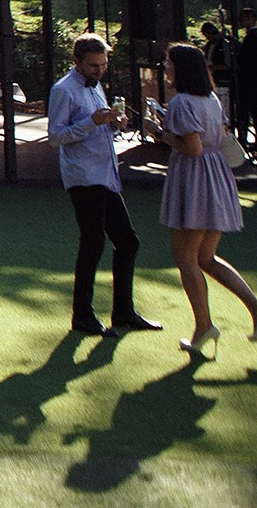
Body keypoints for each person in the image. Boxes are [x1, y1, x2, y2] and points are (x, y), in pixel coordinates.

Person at [147, 43, 257, 359]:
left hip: (195, 179)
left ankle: (204, 326)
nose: (166, 69)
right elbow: (215, 136)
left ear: (182, 69)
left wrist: (159, 132)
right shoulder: (211, 99)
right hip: (216, 176)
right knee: (206, 257)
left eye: (169, 64)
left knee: (186, 258)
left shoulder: (181, 102)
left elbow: (191, 148)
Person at [49, 33, 159, 337]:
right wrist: (92, 122)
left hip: (105, 173)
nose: (99, 70)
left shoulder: (96, 85)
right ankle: (82, 315)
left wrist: (113, 124)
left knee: (127, 241)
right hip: (83, 176)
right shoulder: (63, 90)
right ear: (77, 61)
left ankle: (123, 311)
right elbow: (56, 136)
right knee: (93, 242)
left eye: (103, 64)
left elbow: (99, 123)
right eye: (93, 65)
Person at [236, 8, 257, 149]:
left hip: (251, 80)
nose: (241, 21)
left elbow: (250, 60)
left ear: (251, 18)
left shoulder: (254, 38)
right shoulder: (254, 37)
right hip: (254, 80)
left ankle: (247, 139)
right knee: (255, 110)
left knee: (248, 110)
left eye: (243, 18)